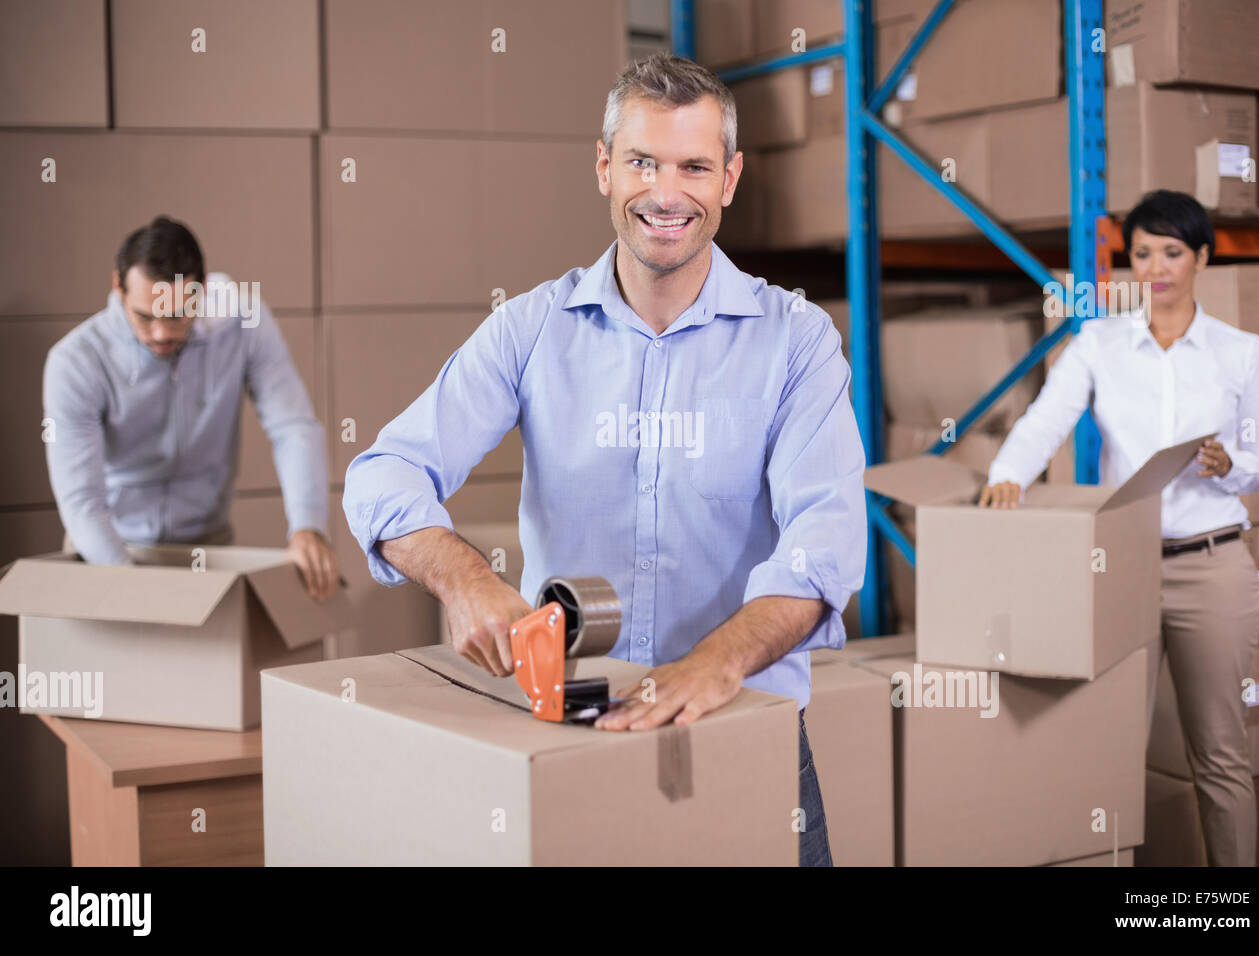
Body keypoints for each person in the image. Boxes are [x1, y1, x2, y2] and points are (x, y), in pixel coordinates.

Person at [342, 53, 867, 866]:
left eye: (694, 166)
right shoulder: (529, 331)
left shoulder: (796, 343)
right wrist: (466, 580)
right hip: (575, 740)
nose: (665, 193)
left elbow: (823, 547)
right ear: (603, 167)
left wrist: (710, 667)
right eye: (642, 162)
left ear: (729, 178)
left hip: (743, 736)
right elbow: (383, 474)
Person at [979, 189, 1259, 866]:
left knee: (1219, 750)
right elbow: (1047, 417)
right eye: (1142, 252)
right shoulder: (1101, 343)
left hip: (1213, 566)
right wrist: (1009, 475)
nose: (1156, 266)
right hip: (1123, 566)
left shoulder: (1241, 353)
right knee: (1113, 749)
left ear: (1201, 257)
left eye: (1171, 252)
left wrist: (1230, 464)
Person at [43, 215, 340, 601]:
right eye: (145, 316)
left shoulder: (244, 323)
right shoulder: (76, 361)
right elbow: (81, 499)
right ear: (118, 287)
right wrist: (134, 596)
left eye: (176, 315)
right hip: (108, 548)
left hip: (208, 547)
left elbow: (293, 427)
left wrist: (308, 526)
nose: (162, 333)